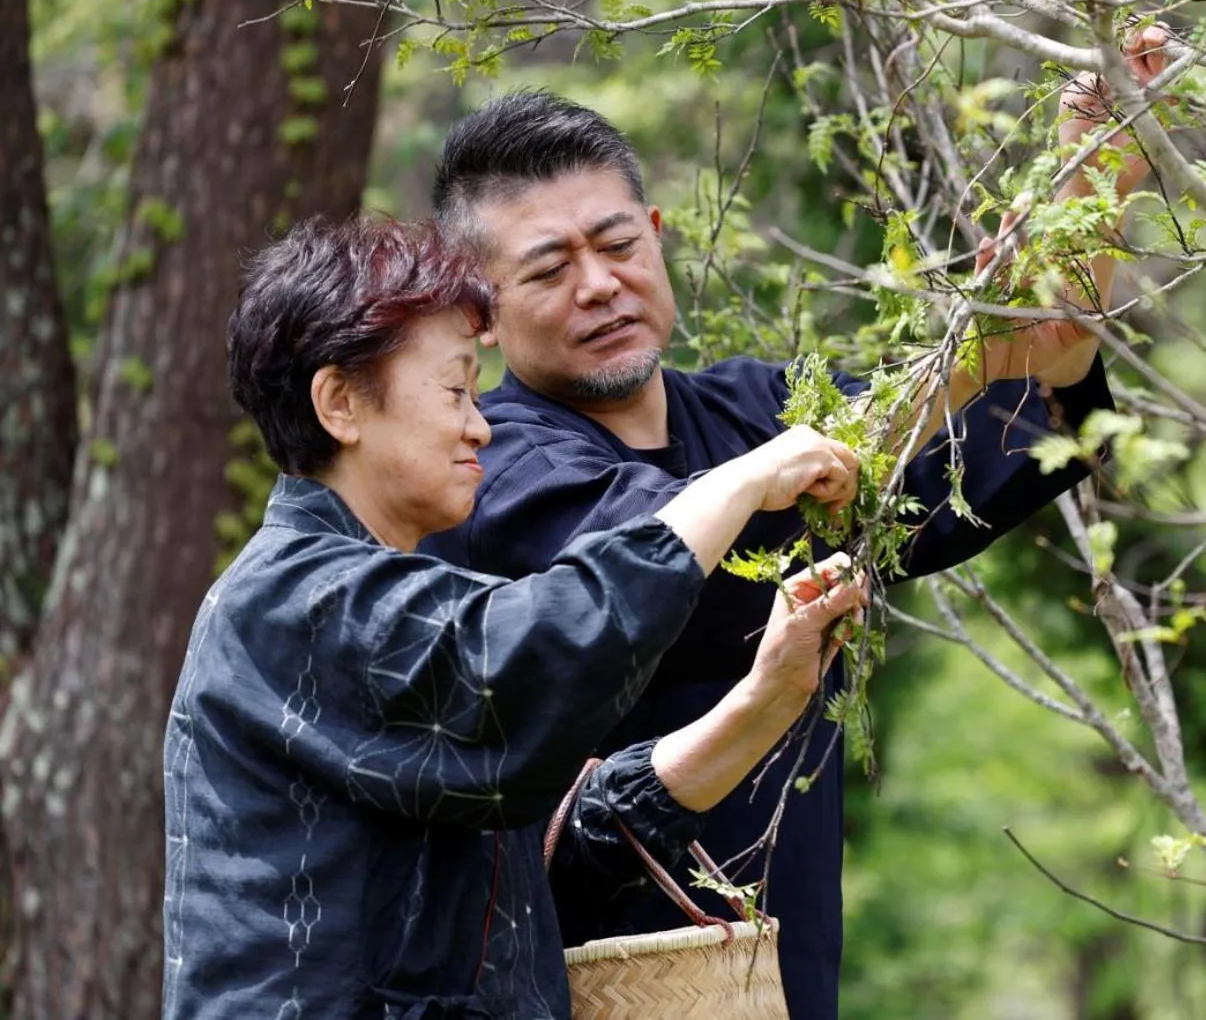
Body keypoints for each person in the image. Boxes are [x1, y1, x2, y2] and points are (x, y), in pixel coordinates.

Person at [421, 27, 1171, 1020]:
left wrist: (1085, 211)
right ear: (479, 306)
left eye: (616, 245)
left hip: (783, 978)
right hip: (565, 985)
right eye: (549, 267)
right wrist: (973, 351)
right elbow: (680, 549)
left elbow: (1018, 428)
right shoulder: (489, 465)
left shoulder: (755, 409)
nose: (599, 284)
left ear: (656, 231)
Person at [161, 215, 869, 1019]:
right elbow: (529, 659)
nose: (480, 424)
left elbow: (556, 851)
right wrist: (738, 484)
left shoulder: (382, 593)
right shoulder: (294, 600)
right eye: (456, 389)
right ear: (341, 404)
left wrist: (765, 699)